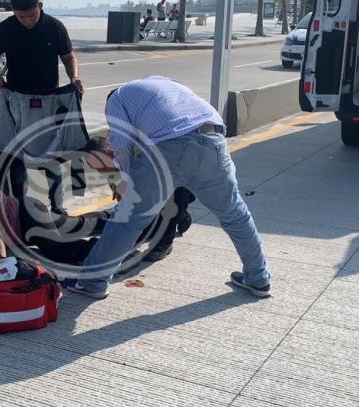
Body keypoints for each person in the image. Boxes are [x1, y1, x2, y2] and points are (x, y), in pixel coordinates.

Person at [65, 76, 271, 300]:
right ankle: (259, 278)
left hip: (169, 147)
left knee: (128, 220)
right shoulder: (166, 85)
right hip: (214, 140)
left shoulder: (117, 98)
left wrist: (124, 186)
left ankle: (93, 282)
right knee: (235, 215)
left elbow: (122, 144)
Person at [0, 0, 83, 214]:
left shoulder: (55, 27)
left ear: (40, 6)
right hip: (17, 100)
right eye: (21, 17)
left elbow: (69, 57)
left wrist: (74, 78)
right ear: (13, 12)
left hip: (49, 100)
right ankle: (22, 209)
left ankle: (58, 207)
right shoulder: (5, 28)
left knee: (53, 156)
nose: (27, 21)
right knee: (19, 159)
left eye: (31, 15)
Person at [0, 170, 107, 263]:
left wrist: (1, 260)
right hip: (18, 235)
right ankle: (109, 220)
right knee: (72, 226)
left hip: (25, 213)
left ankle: (105, 249)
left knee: (53, 246)